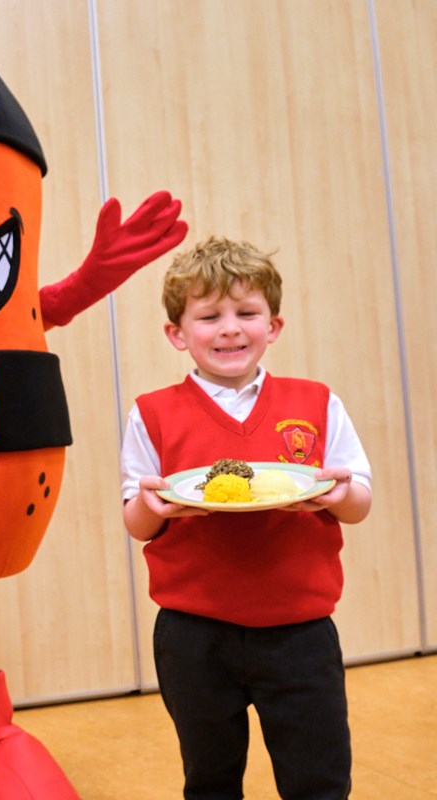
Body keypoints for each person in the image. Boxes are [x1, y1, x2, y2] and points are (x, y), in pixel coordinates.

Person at [120, 235, 372, 799]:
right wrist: (150, 505)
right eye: (209, 317)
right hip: (193, 633)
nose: (230, 328)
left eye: (247, 313)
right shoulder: (151, 413)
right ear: (177, 334)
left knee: (319, 778)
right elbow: (137, 521)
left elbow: (358, 502)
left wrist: (336, 495)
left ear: (273, 326)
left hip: (301, 629)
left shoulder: (317, 401)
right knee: (209, 778)